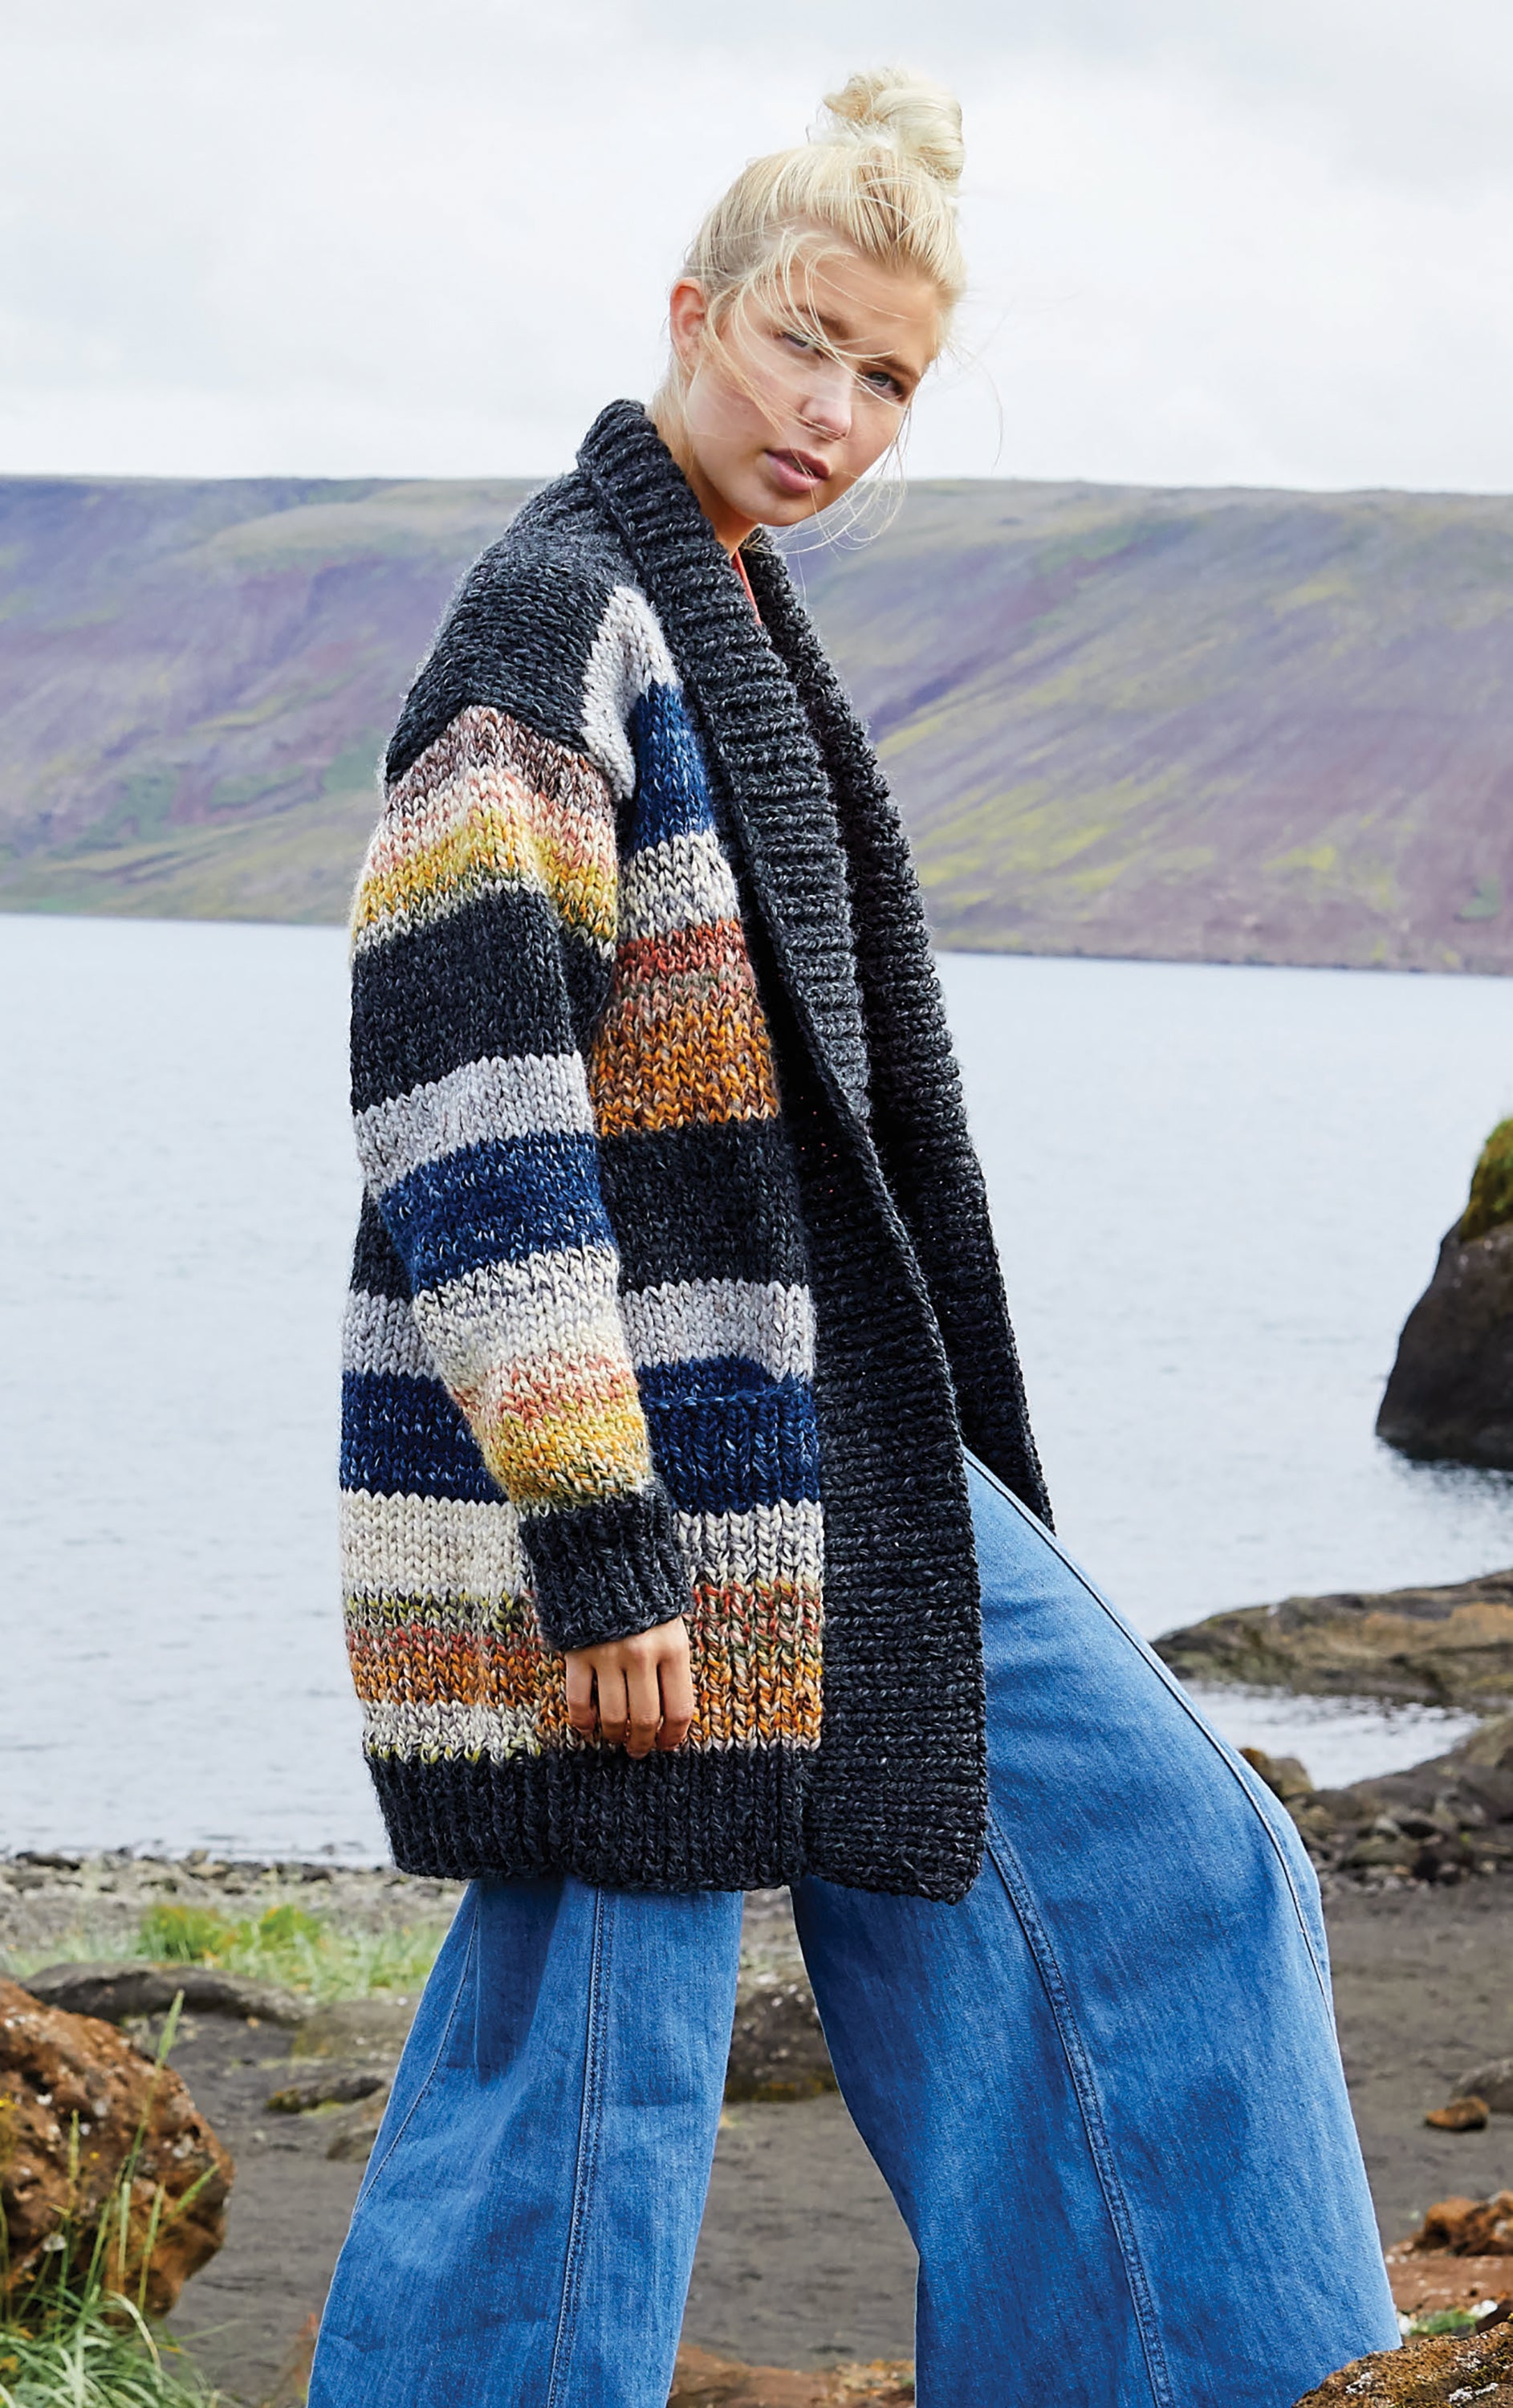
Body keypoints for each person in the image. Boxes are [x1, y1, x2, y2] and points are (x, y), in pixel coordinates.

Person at [309, 68, 1399, 2408]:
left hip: (843, 1459)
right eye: (803, 340)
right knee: (584, 2082)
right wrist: (600, 1541)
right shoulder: (552, 622)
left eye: (888, 377)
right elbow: (462, 1108)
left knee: (1185, 1875)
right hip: (635, 1499)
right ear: (690, 311)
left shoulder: (733, 622)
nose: (833, 410)